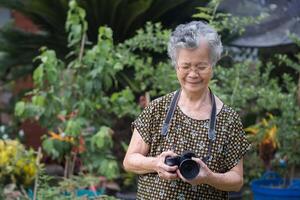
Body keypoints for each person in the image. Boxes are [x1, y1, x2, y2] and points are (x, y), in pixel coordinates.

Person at [123, 21, 251, 200]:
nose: (193, 74)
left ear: (213, 66)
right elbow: (129, 161)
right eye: (185, 66)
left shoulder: (228, 119)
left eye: (201, 67)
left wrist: (208, 177)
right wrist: (156, 163)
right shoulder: (157, 109)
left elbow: (237, 181)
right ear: (176, 66)